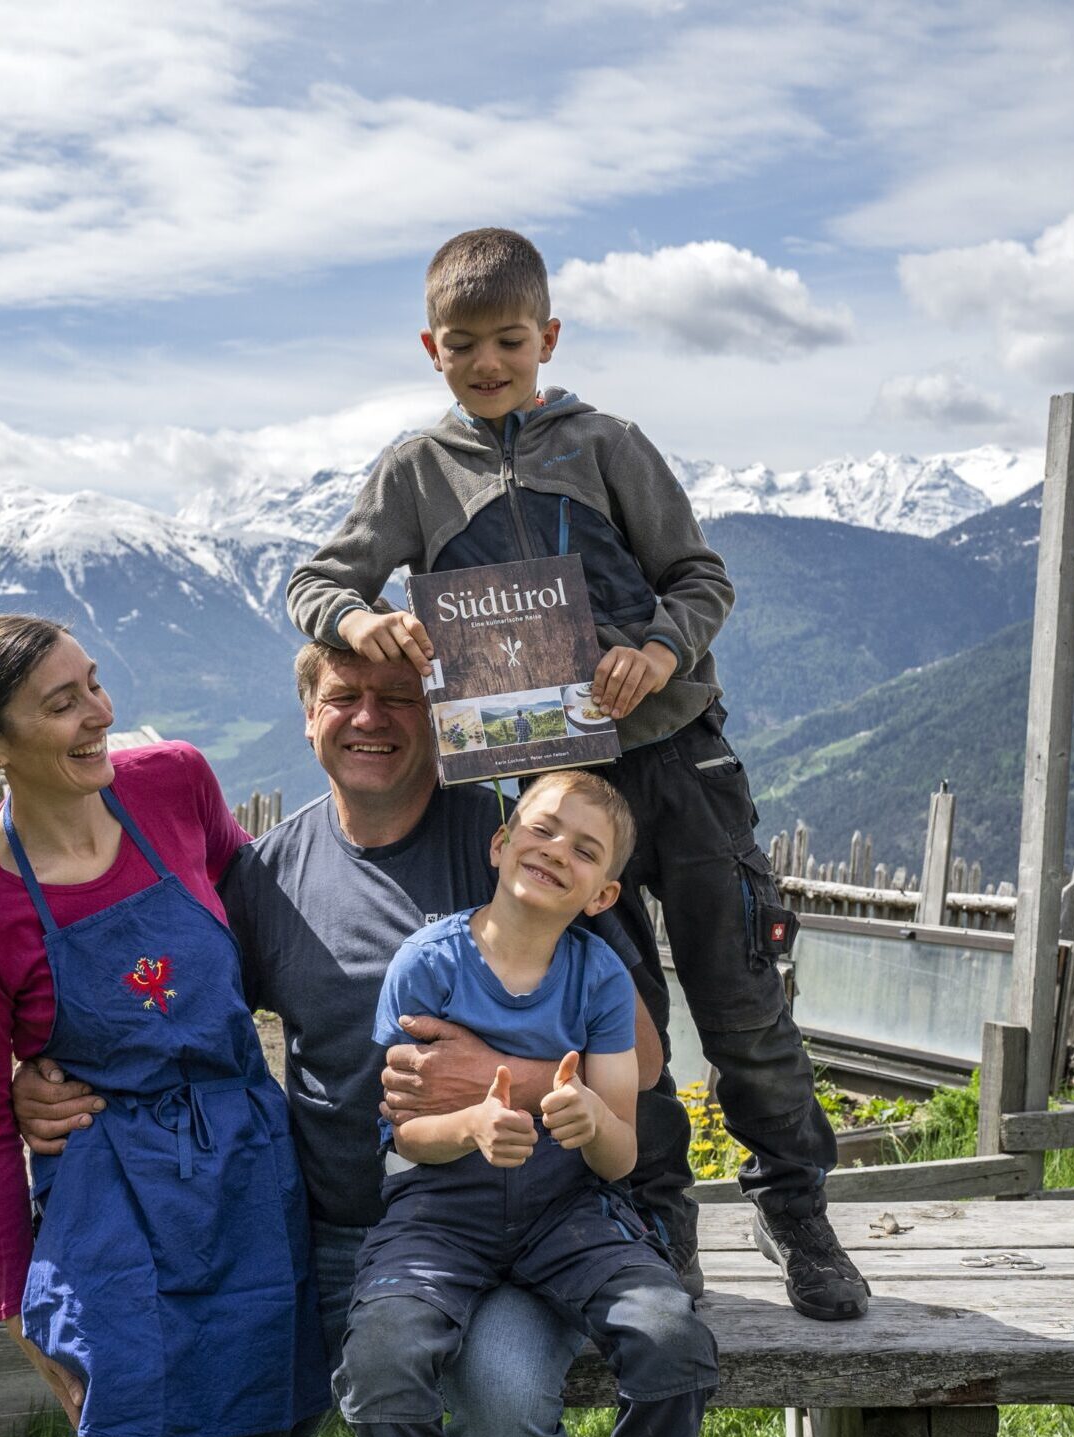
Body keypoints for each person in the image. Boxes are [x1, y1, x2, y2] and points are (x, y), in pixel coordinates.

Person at [15, 633, 669, 1437]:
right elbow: (176, 1019)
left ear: (435, 714)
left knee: (499, 1407)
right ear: (309, 713)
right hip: (325, 1228)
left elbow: (650, 1054)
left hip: (512, 1224)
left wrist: (510, 1080)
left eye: (399, 695)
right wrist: (38, 1072)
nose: (371, 716)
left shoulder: (507, 840)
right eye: (344, 695)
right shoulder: (268, 877)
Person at [284, 224, 870, 1322]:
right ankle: (660, 1223)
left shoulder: (608, 443)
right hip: (545, 791)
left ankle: (801, 1214)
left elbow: (701, 576)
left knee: (741, 1003)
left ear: (547, 336)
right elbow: (319, 579)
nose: (490, 362)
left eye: (510, 339)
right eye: (465, 345)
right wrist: (366, 616)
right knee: (619, 1023)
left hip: (677, 764)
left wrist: (662, 647)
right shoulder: (415, 470)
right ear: (432, 348)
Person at [0, 614, 327, 1437]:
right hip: (113, 1220)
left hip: (249, 1189)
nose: (98, 711)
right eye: (61, 701)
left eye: (93, 684)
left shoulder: (176, 784)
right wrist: (20, 1312)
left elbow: (271, 942)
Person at [340, 769, 722, 1437]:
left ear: (602, 895)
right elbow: (401, 1133)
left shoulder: (599, 976)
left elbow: (621, 1156)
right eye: (542, 830)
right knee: (381, 1358)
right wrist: (468, 1125)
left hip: (568, 1215)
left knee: (671, 1335)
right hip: (439, 1212)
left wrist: (590, 1120)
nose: (557, 849)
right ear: (500, 844)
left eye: (585, 850)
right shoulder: (428, 963)